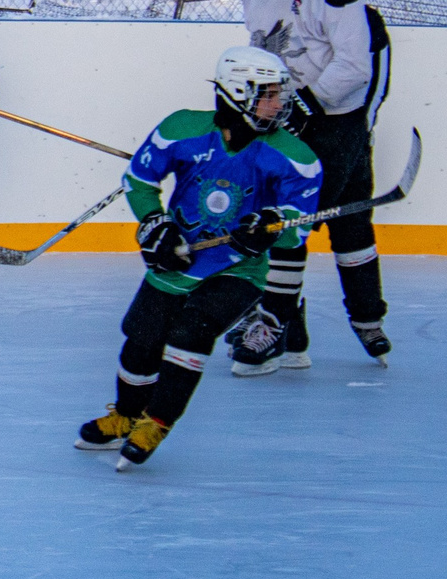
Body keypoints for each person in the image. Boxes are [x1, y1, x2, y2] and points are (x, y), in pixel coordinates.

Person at [77, 46, 320, 470]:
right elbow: (139, 179)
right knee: (141, 339)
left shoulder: (296, 158)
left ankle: (156, 421)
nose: (280, 104)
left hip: (238, 270)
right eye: (268, 94)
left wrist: (270, 227)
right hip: (180, 258)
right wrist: (155, 224)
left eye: (281, 93)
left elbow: (297, 229)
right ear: (236, 92)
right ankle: (127, 415)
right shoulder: (182, 128)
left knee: (191, 333)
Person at [233, 0, 394, 371]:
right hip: (279, 118)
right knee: (278, 218)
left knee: (303, 221)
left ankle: (298, 324)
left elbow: (357, 67)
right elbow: (259, 44)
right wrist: (255, 101)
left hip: (333, 123)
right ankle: (289, 332)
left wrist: (308, 106)